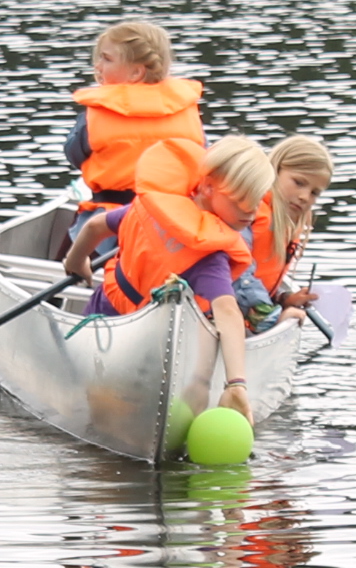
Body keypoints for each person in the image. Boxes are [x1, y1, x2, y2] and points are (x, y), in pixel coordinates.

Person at [61, 136, 274, 421]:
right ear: (209, 187)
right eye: (241, 200)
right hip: (146, 351)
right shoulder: (209, 258)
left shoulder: (154, 205)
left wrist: (75, 262)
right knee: (118, 406)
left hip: (104, 320)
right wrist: (236, 383)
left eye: (258, 199)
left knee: (97, 403)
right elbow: (227, 311)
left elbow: (97, 225)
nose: (251, 210)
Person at [65, 19, 206, 211]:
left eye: (106, 59)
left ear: (136, 73)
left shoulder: (97, 114)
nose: (98, 66)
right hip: (175, 211)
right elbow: (202, 152)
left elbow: (74, 154)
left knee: (82, 236)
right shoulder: (186, 108)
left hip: (112, 209)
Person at [235, 134, 334, 329]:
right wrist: (272, 318)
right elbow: (239, 276)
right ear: (275, 170)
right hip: (224, 315)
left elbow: (263, 277)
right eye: (299, 182)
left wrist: (284, 299)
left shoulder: (286, 222)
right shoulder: (249, 213)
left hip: (246, 317)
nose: (305, 197)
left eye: (315, 193)